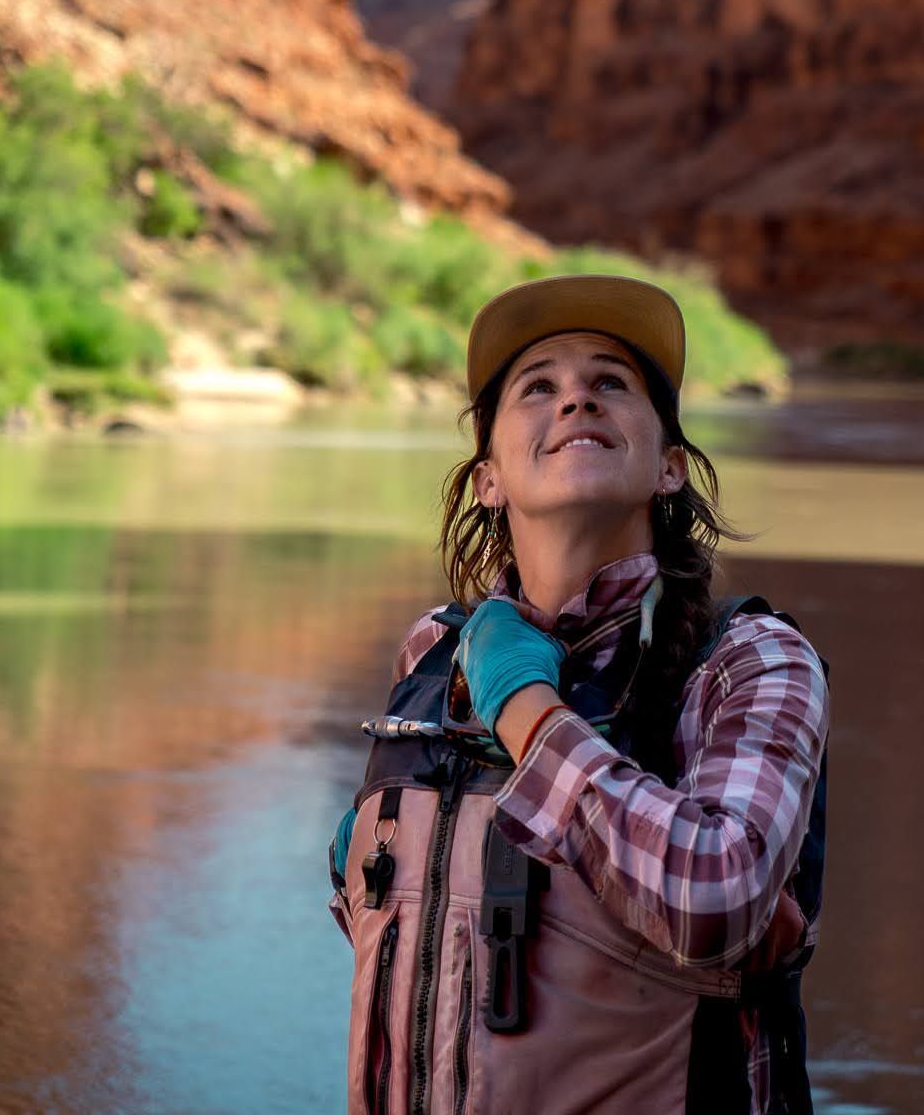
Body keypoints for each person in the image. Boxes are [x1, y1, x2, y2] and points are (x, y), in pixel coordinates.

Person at [330, 273, 829, 1115]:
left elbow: (717, 897)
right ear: (487, 478)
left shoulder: (749, 661)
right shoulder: (432, 650)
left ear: (669, 467)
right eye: (538, 387)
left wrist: (524, 707)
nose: (575, 402)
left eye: (609, 383)